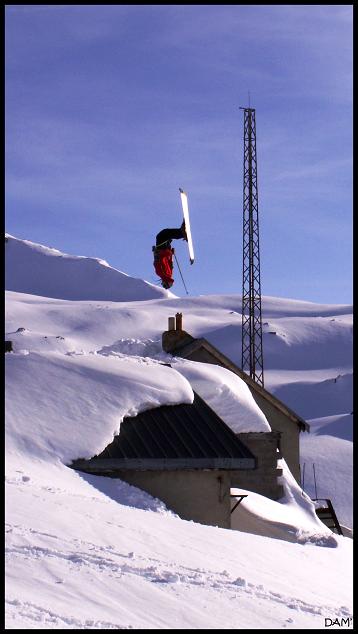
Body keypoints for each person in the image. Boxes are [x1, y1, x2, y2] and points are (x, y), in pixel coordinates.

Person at [153, 221, 187, 289]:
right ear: (166, 282)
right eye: (164, 284)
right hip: (162, 249)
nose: (162, 283)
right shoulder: (162, 274)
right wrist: (170, 253)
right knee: (163, 234)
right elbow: (158, 262)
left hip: (164, 250)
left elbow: (169, 262)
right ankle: (182, 233)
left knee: (167, 234)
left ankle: (182, 232)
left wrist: (171, 253)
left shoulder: (168, 274)